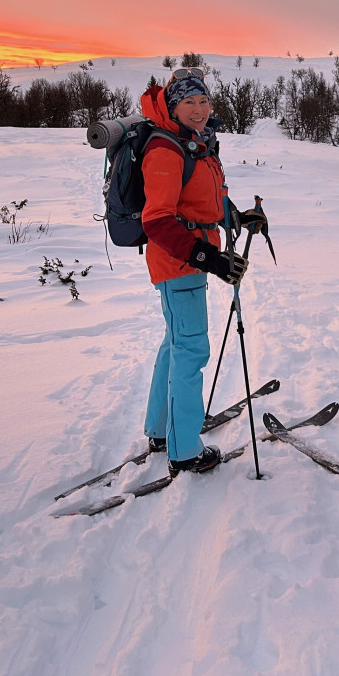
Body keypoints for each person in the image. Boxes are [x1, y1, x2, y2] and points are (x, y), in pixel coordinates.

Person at [140, 68, 251, 475]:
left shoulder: (194, 143)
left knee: (176, 344)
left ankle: (160, 429)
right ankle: (185, 450)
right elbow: (157, 221)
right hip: (178, 262)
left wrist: (238, 217)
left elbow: (205, 199)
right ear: (173, 107)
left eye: (203, 100)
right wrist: (209, 258)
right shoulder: (165, 150)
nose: (199, 109)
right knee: (191, 349)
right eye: (189, 102)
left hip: (187, 261)